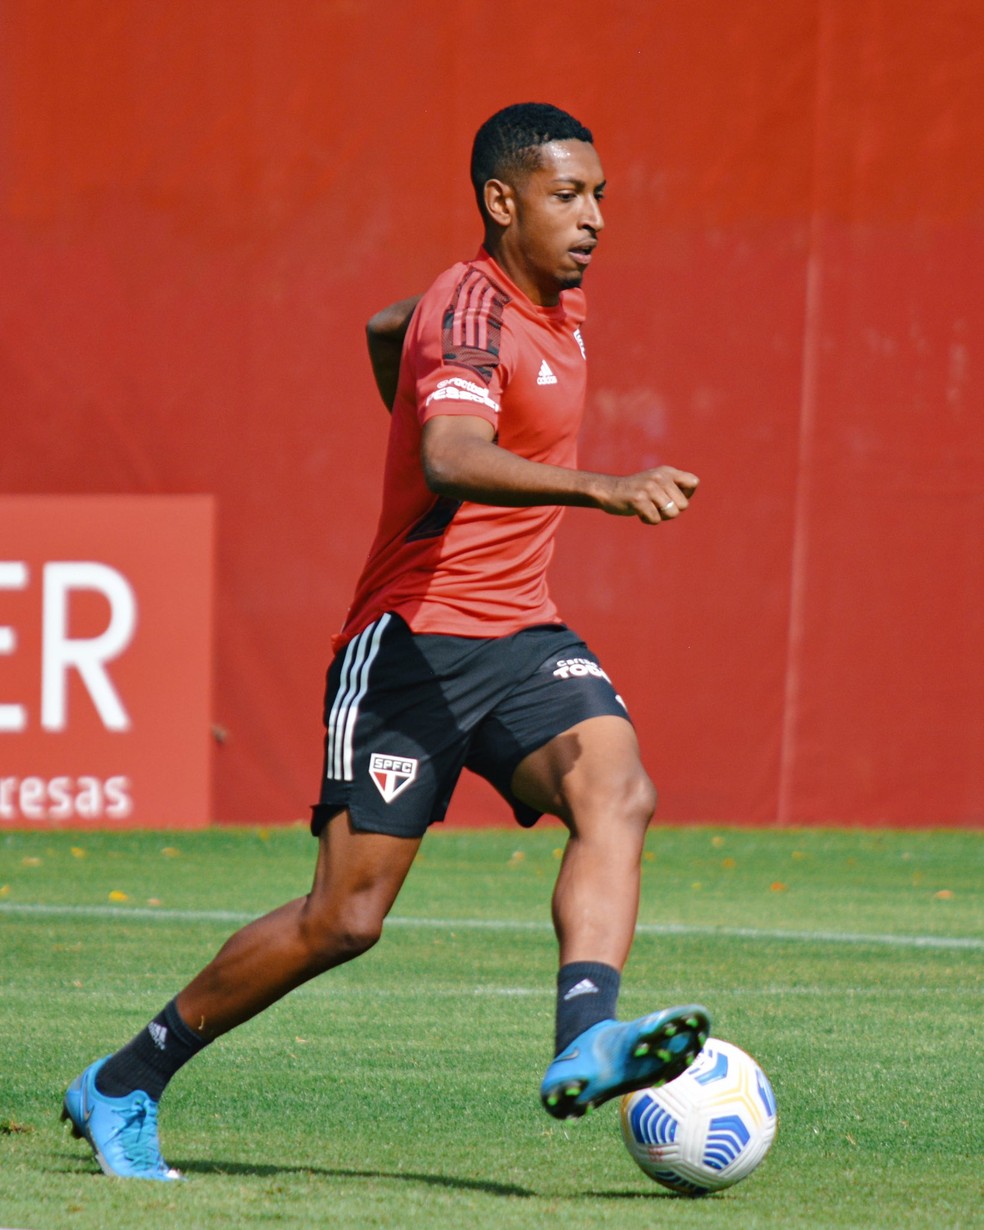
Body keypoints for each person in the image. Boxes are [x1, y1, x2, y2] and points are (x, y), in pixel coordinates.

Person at [62, 101, 710, 1182]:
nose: (593, 216)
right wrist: (601, 484)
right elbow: (455, 454)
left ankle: (586, 1040)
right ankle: (126, 1079)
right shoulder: (472, 308)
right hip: (411, 642)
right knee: (344, 919)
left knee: (619, 791)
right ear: (501, 203)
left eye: (600, 195)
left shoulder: (544, 302)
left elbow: (381, 329)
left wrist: (406, 392)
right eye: (567, 195)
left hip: (520, 634)